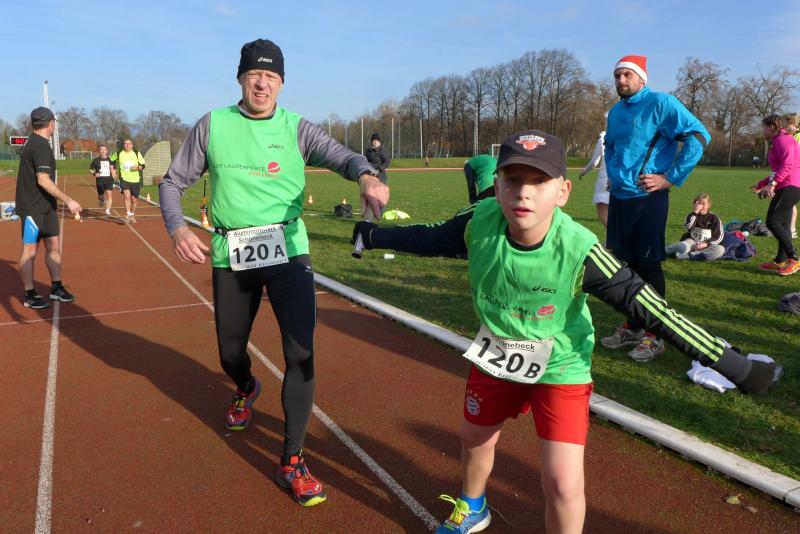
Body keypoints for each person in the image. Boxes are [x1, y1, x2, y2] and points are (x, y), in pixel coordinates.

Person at [351, 130, 781, 534]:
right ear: (496, 187)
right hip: (497, 354)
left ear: (563, 192)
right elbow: (428, 237)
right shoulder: (479, 221)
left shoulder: (580, 249)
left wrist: (735, 365)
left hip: (560, 366)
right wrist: (371, 235)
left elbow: (655, 311)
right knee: (474, 438)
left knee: (561, 482)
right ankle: (473, 505)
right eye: (513, 179)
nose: (523, 191)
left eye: (539, 181)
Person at [158, 38, 388, 507]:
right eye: (254, 75)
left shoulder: (297, 128)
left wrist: (366, 176)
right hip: (232, 253)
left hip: (288, 251)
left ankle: (292, 459)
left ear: (281, 83)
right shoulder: (212, 125)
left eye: (271, 76)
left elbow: (343, 156)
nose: (262, 84)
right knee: (229, 351)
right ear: (240, 79)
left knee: (300, 353)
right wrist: (178, 228)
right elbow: (173, 181)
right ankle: (246, 386)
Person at [600, 55, 711, 362]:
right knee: (626, 265)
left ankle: (655, 335)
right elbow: (611, 146)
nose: (621, 80)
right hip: (620, 196)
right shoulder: (616, 111)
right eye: (618, 75)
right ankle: (634, 326)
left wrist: (670, 178)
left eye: (627, 75)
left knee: (648, 265)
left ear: (641, 78)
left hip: (647, 198)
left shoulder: (661, 103)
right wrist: (615, 175)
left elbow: (699, 135)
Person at [15, 107, 81, 309]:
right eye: (54, 122)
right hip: (33, 209)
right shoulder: (40, 146)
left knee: (53, 245)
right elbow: (43, 180)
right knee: (30, 250)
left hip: (46, 207)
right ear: (50, 123)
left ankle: (56, 287)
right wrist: (68, 200)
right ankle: (29, 294)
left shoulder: (34, 142)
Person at [752, 114, 800, 275]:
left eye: (764, 127)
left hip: (790, 185)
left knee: (773, 222)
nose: (762, 131)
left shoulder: (782, 140)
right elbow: (778, 170)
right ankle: (780, 261)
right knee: (783, 225)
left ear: (772, 127)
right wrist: (762, 184)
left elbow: (788, 166)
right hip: (787, 185)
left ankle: (794, 259)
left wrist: (771, 184)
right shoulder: (779, 140)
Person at [665, 193, 724, 261]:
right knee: (681, 246)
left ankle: (689, 255)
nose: (700, 206)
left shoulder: (714, 218)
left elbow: (719, 236)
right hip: (691, 242)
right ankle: (663, 250)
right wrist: (695, 212)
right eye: (698, 203)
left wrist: (706, 244)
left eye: (703, 204)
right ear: (694, 204)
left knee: (720, 250)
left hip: (706, 245)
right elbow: (689, 228)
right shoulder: (691, 216)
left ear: (708, 205)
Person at [577, 112, 609, 228]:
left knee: (603, 214)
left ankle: (616, 237)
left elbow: (595, 162)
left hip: (605, 179)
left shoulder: (604, 139)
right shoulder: (627, 138)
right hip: (621, 179)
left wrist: (584, 172)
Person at [112, 139, 145, 223]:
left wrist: (137, 167)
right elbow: (111, 160)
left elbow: (143, 165)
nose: (127, 145)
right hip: (124, 179)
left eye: (129, 144)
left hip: (135, 180)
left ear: (132, 145)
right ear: (123, 145)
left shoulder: (136, 153)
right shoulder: (119, 153)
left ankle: (132, 214)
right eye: (125, 144)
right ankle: (128, 213)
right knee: (127, 196)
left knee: (134, 199)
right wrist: (113, 170)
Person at [782, 112, 799, 238]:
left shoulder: (797, 136)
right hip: (790, 172)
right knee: (789, 203)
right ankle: (789, 228)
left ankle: (791, 229)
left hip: (794, 173)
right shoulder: (791, 135)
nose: (785, 125)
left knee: (790, 202)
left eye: (787, 123)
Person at [89, 144, 116, 216]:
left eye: (104, 149)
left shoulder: (111, 160)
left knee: (109, 194)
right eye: (101, 149)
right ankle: (102, 200)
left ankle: (108, 210)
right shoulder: (96, 160)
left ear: (107, 151)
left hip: (109, 180)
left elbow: (114, 169)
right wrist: (95, 173)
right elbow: (90, 169)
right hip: (100, 181)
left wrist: (114, 175)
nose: (103, 151)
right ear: (99, 151)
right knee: (101, 196)